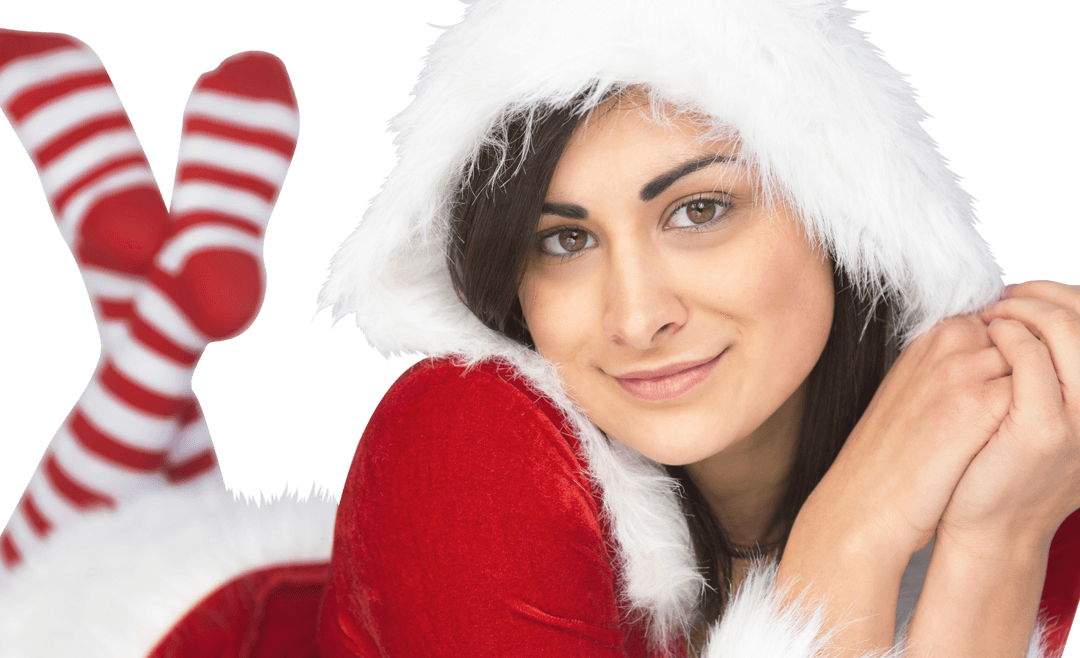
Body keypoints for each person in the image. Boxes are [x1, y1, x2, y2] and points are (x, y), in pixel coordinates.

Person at [0, 1, 1078, 657]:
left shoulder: (1009, 458)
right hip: (164, 637)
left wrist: (998, 539)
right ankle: (149, 338)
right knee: (49, 559)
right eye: (564, 240)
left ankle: (148, 311)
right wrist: (851, 537)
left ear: (848, 220)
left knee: (139, 482)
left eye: (699, 209)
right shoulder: (462, 440)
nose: (637, 313)